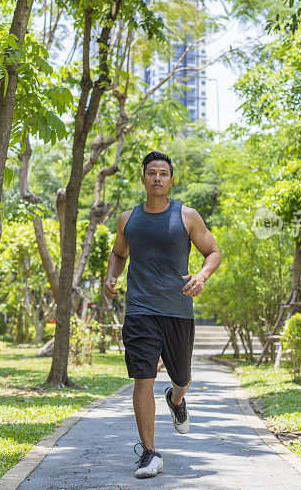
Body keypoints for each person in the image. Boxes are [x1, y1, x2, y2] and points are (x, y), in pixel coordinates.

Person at [103, 150, 221, 479]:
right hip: (140, 310)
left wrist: (201, 276)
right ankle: (150, 453)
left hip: (177, 310)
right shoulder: (128, 219)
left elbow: (212, 252)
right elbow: (118, 253)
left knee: (181, 376)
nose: (157, 177)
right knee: (143, 378)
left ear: (171, 180)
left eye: (163, 173)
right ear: (143, 179)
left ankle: (177, 398)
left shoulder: (187, 216)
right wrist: (111, 276)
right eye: (151, 172)